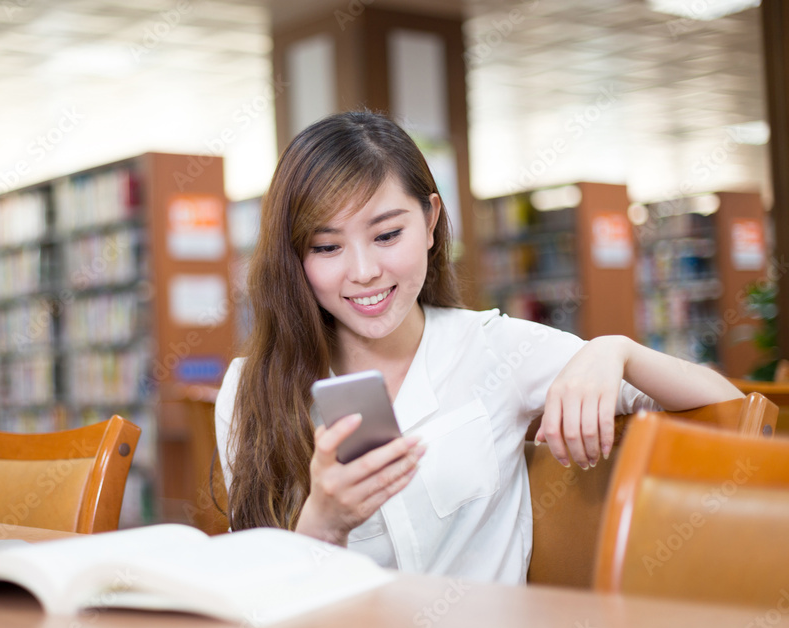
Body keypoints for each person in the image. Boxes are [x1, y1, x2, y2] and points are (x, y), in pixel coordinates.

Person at [214, 110, 743, 585]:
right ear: (294, 257)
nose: (363, 271)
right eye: (327, 247)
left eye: (386, 235)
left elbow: (729, 408)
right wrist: (324, 522)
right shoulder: (251, 388)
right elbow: (260, 598)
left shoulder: (495, 349)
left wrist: (615, 350)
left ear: (430, 222)